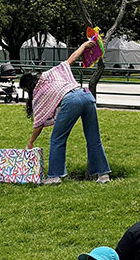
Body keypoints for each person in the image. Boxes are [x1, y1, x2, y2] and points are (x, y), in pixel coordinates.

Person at [21, 38, 111, 186]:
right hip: (86, 95)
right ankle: (103, 175)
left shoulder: (37, 94)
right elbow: (72, 58)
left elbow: (39, 124)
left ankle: (54, 176)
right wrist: (83, 45)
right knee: (94, 138)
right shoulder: (50, 73)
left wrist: (31, 142)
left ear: (27, 88)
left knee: (57, 139)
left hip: (71, 101)